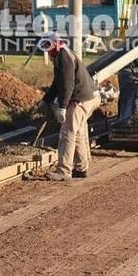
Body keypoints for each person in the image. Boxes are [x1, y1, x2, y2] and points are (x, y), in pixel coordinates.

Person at [37, 32, 100, 181]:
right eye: (45, 46)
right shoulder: (62, 56)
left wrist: (62, 107)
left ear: (57, 44)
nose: (47, 50)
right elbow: (57, 83)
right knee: (76, 134)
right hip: (89, 98)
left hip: (80, 100)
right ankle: (81, 168)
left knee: (67, 134)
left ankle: (64, 171)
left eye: (49, 46)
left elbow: (67, 84)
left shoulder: (64, 58)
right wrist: (46, 99)